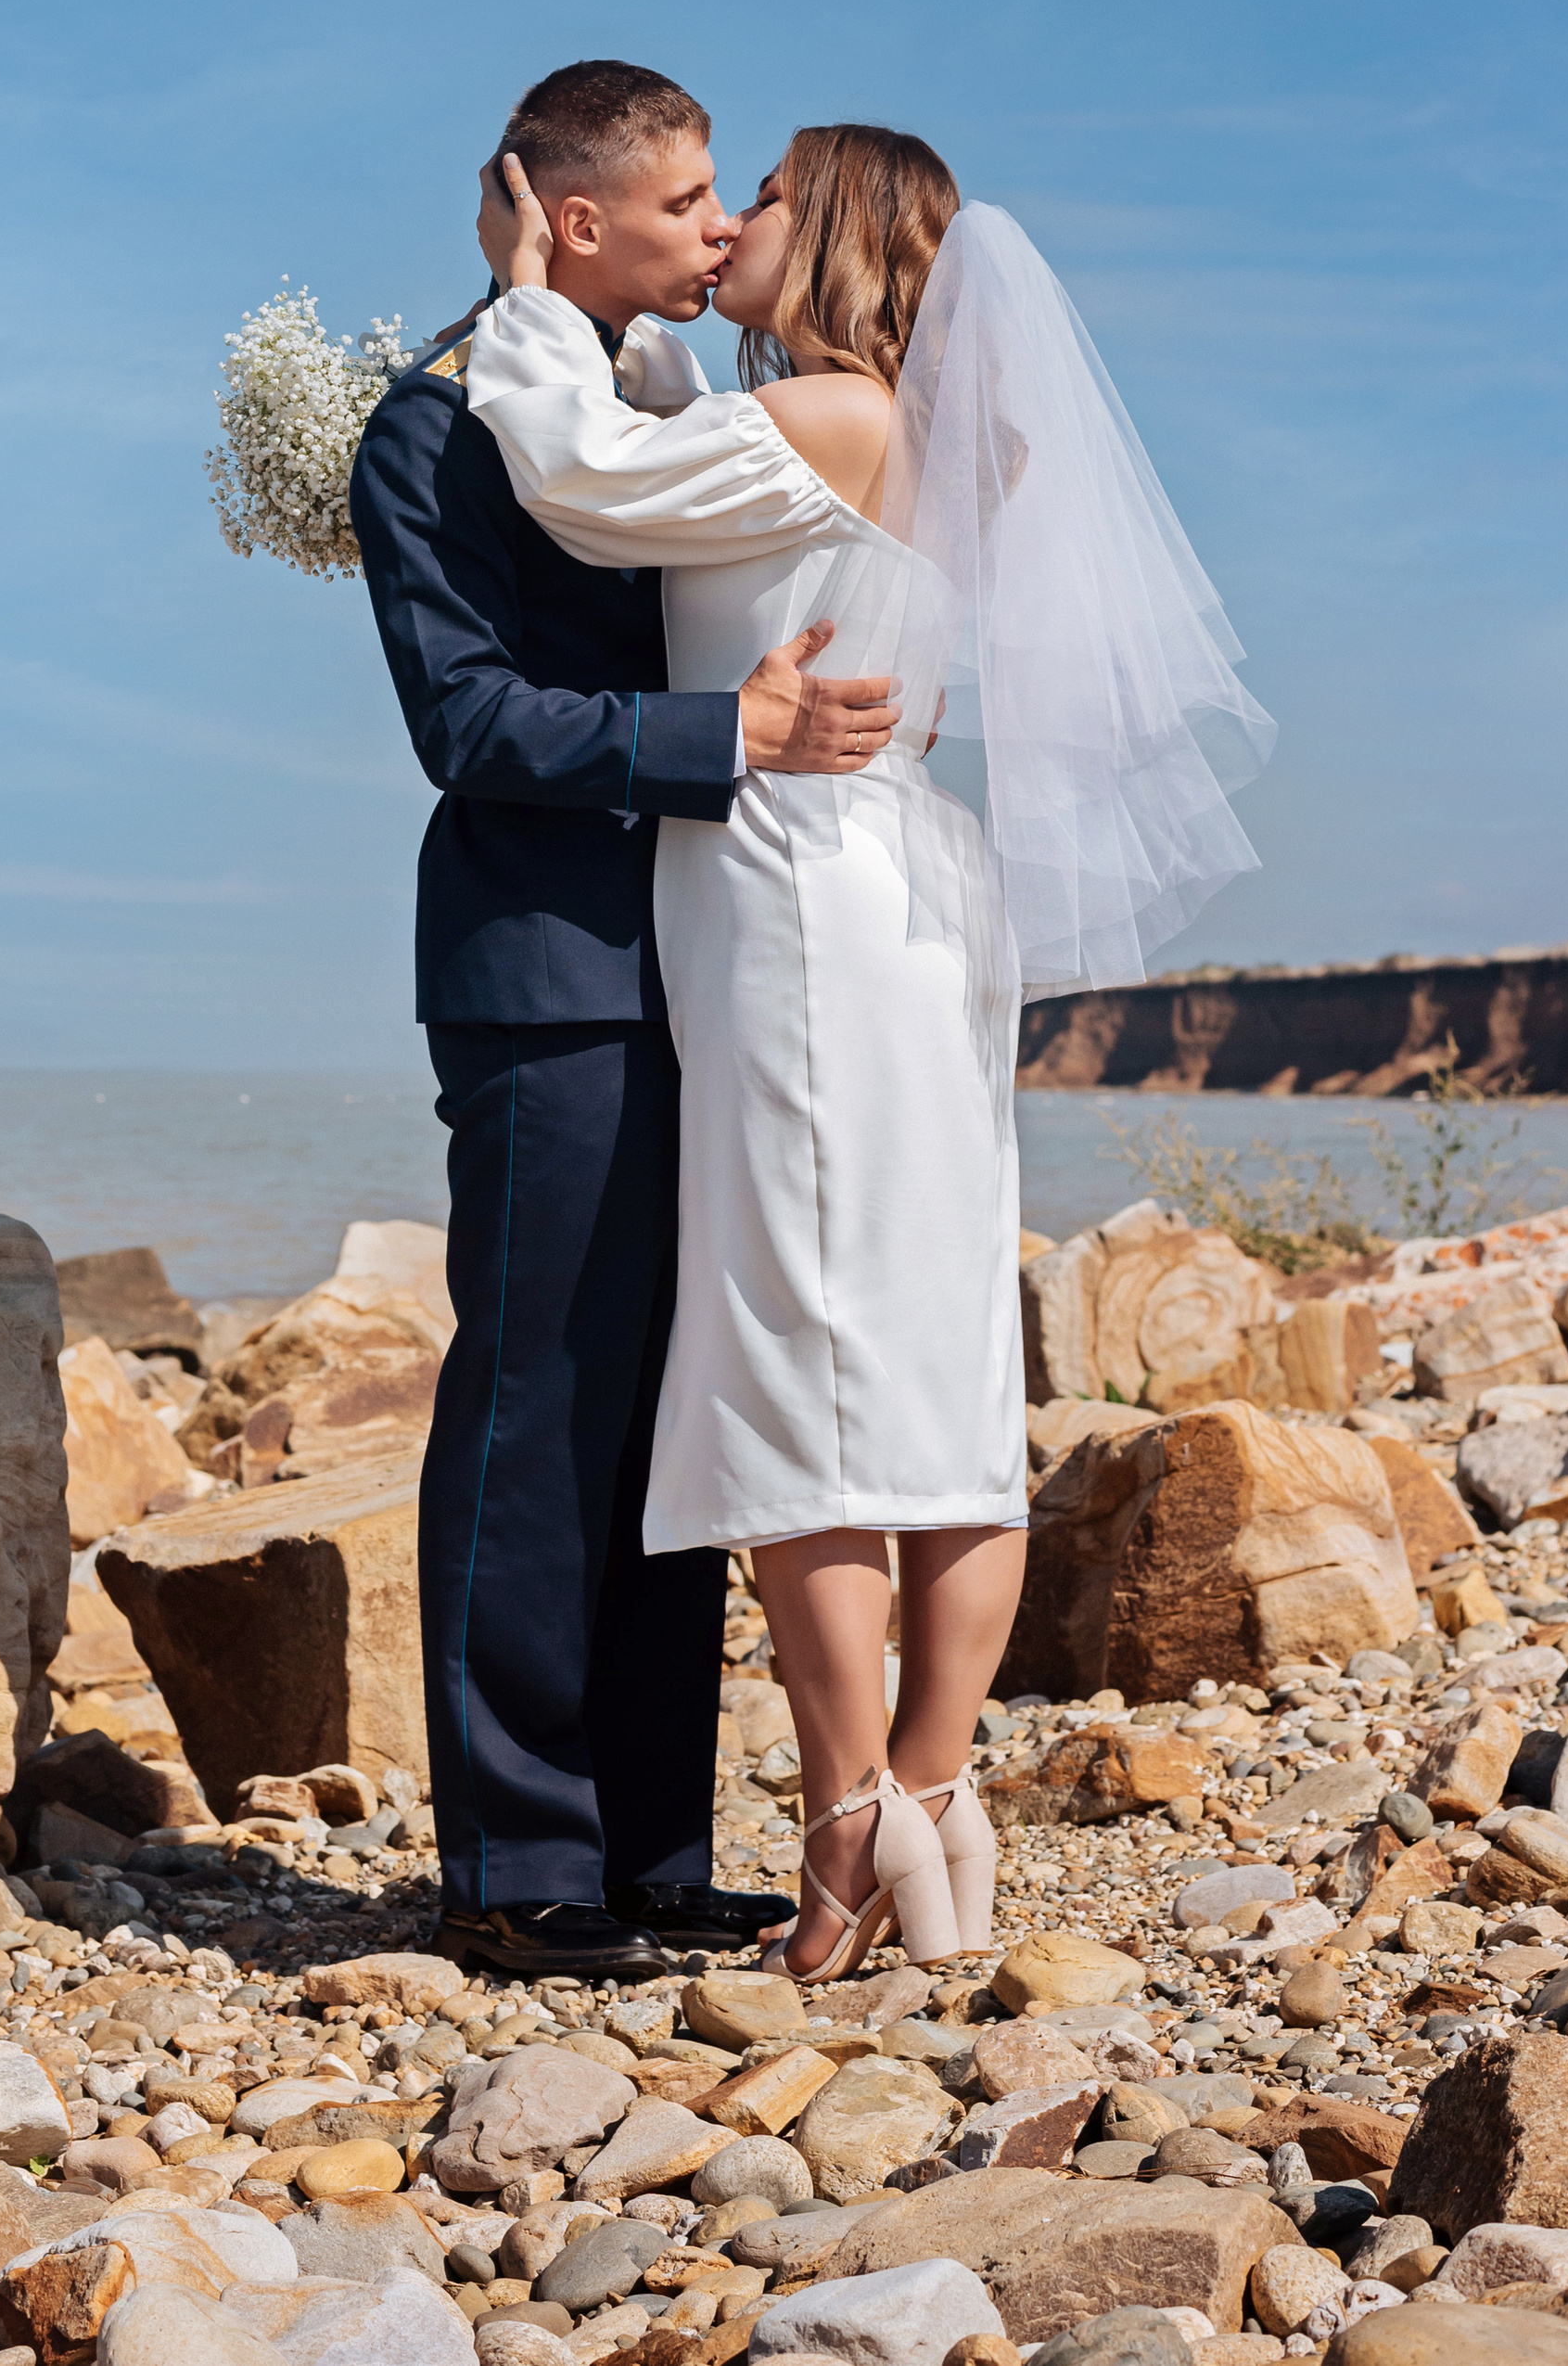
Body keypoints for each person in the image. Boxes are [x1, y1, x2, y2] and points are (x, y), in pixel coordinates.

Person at [465, 124, 1272, 1978]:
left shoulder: (824, 420)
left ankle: (845, 1823)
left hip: (798, 907)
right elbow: (679, 447)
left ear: (829, 239)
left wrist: (525, 303)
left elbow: (590, 483)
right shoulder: (916, 433)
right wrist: (645, 335)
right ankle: (931, 1796)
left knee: (798, 1359)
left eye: (757, 195)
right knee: (926, 1369)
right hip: (904, 884)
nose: (726, 218)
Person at [346, 61, 906, 1985]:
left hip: (716, 969)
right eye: (679, 201)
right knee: (535, 1408)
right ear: (568, 220)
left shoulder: (663, 401)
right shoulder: (429, 432)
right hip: (546, 973)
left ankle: (657, 1846)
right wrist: (721, 739)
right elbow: (468, 727)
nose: (714, 231)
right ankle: (516, 1865)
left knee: (674, 1410)